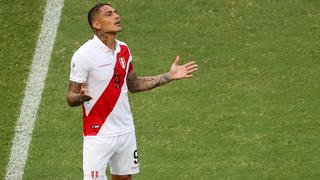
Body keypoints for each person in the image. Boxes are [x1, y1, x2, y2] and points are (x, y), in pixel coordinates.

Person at [66, 2, 198, 180]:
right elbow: (70, 96)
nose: (116, 16)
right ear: (96, 24)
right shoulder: (84, 55)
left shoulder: (124, 50)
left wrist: (169, 76)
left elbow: (133, 84)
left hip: (125, 129)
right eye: (109, 14)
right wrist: (80, 98)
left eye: (116, 12)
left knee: (124, 178)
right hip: (98, 134)